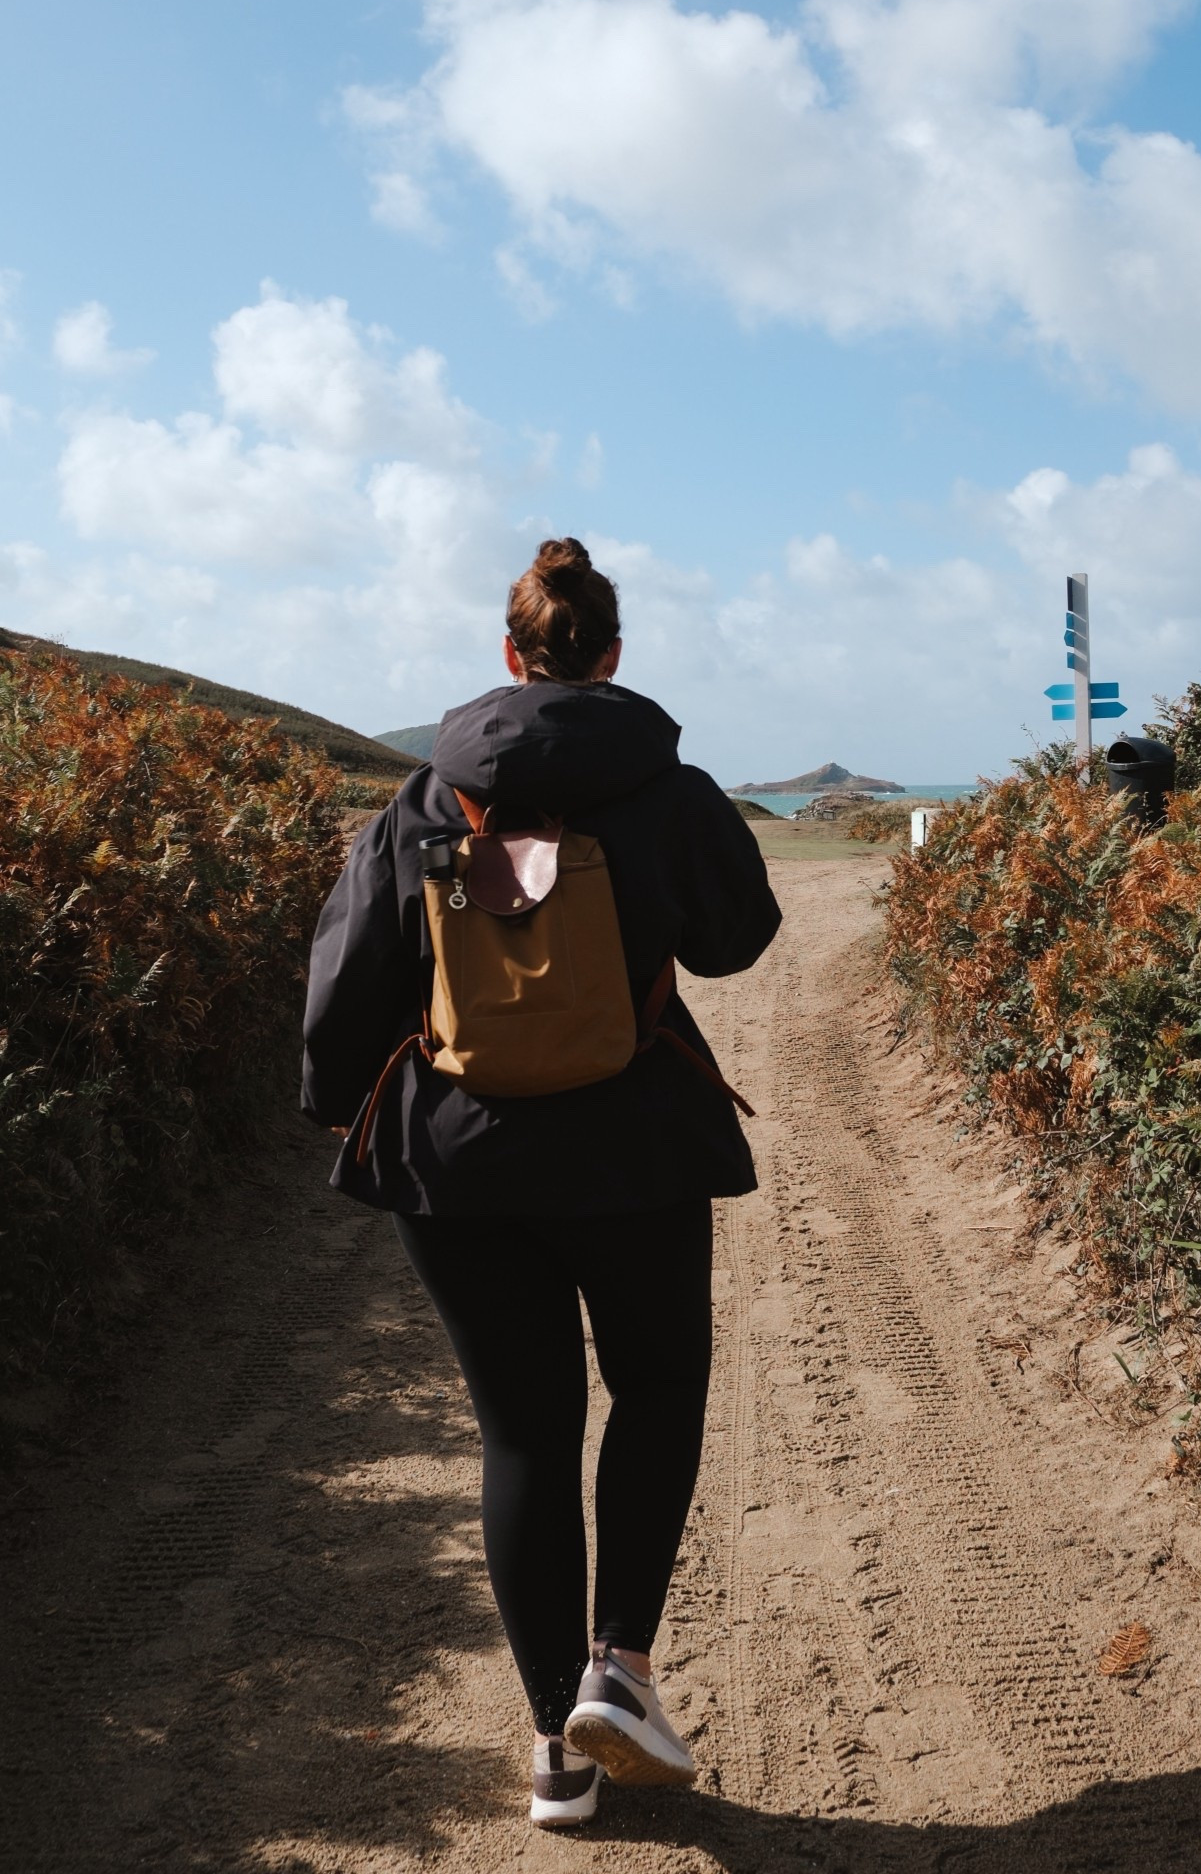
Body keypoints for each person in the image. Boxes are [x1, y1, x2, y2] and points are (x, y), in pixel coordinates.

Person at [301, 537, 782, 1828]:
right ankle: (617, 1666)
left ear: (510, 659)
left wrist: (341, 1112)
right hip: (635, 1147)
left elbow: (346, 985)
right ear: (609, 660)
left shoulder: (421, 799)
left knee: (522, 1433)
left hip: (456, 1161)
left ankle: (550, 1755)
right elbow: (736, 942)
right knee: (657, 1392)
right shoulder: (667, 788)